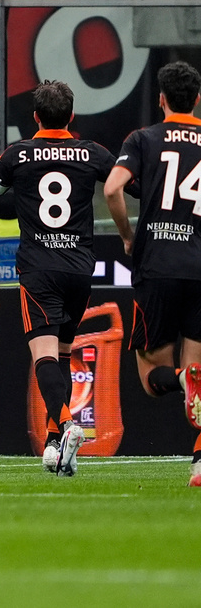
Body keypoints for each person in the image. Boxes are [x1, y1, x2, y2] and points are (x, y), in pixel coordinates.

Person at [0, 80, 114, 477]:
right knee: (62, 353)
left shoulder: (18, 155)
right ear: (72, 116)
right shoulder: (92, 152)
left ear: (34, 117)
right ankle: (51, 443)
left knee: (43, 356)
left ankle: (65, 424)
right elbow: (124, 183)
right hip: (80, 268)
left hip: (39, 269)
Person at [104, 61, 201, 487]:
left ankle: (181, 379)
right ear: (197, 100)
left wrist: (128, 236)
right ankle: (199, 464)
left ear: (161, 100)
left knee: (152, 380)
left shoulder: (143, 138)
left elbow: (111, 188)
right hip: (199, 268)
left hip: (157, 264)